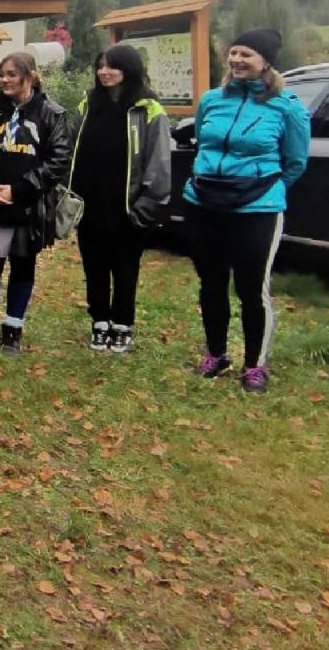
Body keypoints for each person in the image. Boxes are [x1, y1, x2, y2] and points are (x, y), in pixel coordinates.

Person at [183, 28, 310, 394]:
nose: (237, 60)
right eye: (234, 52)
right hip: (204, 203)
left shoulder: (287, 107)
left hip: (256, 208)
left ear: (266, 61)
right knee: (212, 283)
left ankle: (255, 366)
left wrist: (265, 190)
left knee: (252, 289)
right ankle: (216, 354)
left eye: (247, 55)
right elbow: (200, 145)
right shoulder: (212, 100)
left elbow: (296, 161)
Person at [0, 51, 72, 356]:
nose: (5, 80)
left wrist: (21, 189)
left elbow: (59, 160)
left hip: (28, 207)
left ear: (30, 76)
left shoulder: (52, 113)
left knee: (23, 267)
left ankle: (13, 329)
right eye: (2, 74)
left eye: (12, 74)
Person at [68, 45, 172, 354]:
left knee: (125, 267)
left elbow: (160, 163)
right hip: (91, 203)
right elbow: (70, 147)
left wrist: (146, 206)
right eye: (100, 66)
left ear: (128, 69)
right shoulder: (88, 105)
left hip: (128, 206)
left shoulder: (148, 109)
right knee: (95, 266)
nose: (104, 72)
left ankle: (123, 324)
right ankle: (99, 321)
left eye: (112, 67)